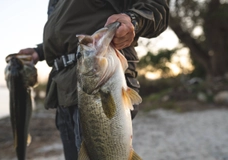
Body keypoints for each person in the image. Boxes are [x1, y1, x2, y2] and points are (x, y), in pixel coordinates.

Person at [19, 0, 169, 159]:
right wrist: (39, 52)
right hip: (62, 91)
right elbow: (64, 35)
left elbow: (156, 8)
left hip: (92, 84)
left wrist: (132, 19)